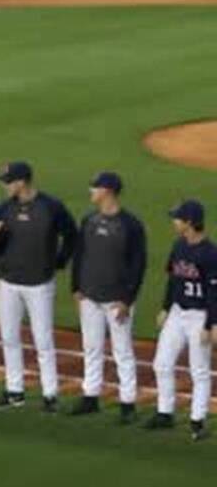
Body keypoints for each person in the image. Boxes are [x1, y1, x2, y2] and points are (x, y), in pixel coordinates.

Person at [0, 161, 77, 411]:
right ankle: (14, 390)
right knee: (9, 338)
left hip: (39, 284)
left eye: (8, 181)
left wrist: (59, 261)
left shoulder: (50, 206)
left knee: (43, 341)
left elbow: (71, 234)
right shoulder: (4, 209)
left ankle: (50, 394)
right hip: (9, 283)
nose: (5, 186)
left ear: (22, 182)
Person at [70, 172, 147, 422]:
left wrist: (128, 299)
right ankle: (90, 396)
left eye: (96, 187)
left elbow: (138, 264)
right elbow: (79, 255)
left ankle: (128, 404)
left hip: (117, 300)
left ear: (109, 191)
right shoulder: (89, 220)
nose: (91, 190)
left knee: (122, 351)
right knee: (91, 347)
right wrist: (76, 288)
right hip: (90, 296)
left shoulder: (131, 225)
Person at [147, 200, 217, 441]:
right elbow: (173, 280)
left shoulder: (210, 253)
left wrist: (211, 325)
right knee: (161, 363)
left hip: (200, 316)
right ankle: (165, 413)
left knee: (199, 370)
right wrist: (166, 308)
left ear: (189, 222)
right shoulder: (178, 246)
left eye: (177, 218)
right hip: (178, 312)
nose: (174, 222)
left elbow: (214, 293)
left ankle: (198, 421)